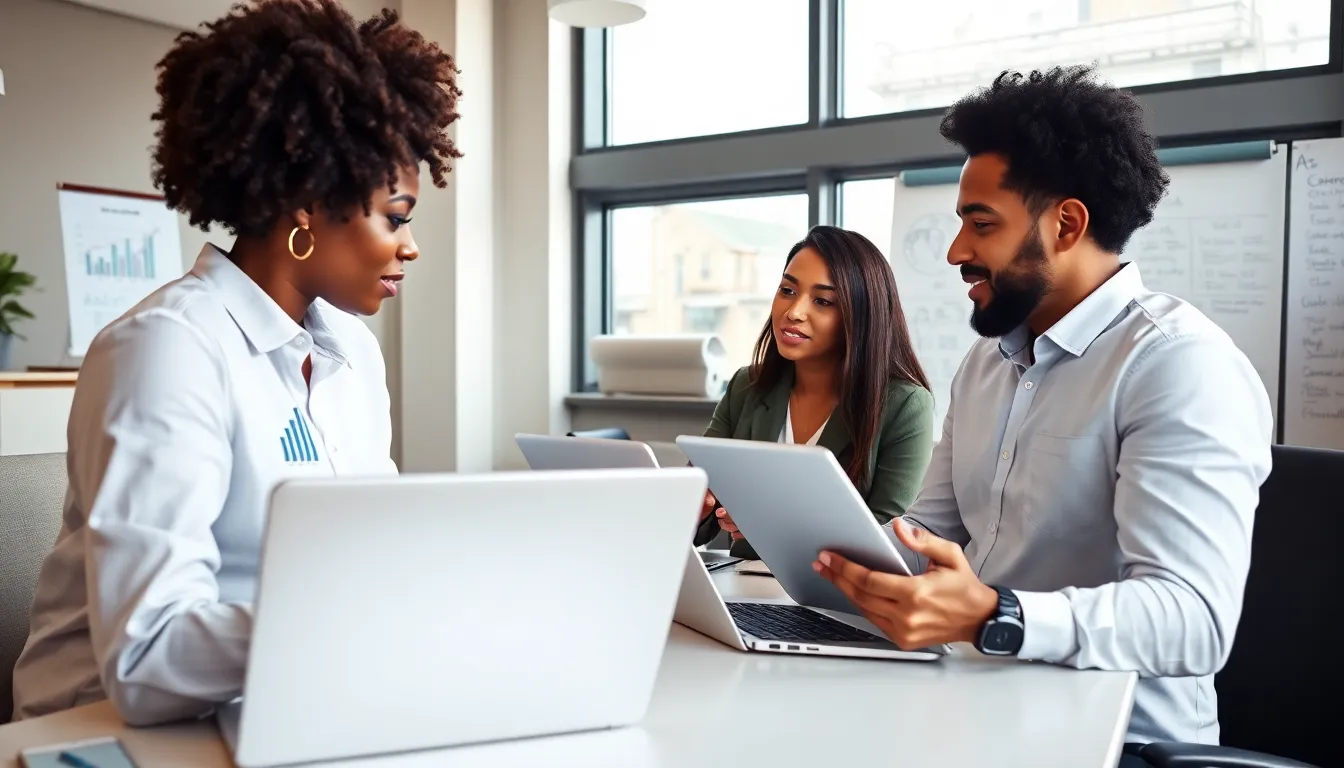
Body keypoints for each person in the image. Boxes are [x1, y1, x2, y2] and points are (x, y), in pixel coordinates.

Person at [11, 0, 462, 726]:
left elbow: (366, 562)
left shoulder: (353, 355)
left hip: (287, 697)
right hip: (106, 730)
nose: (409, 247)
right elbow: (147, 656)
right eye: (396, 217)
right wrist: (358, 620)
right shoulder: (166, 349)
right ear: (309, 205)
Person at [811, 65, 1272, 752]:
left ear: (1066, 224)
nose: (956, 251)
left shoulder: (1179, 366)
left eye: (981, 224)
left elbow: (1192, 621)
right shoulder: (987, 364)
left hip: (1120, 742)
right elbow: (925, 533)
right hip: (978, 699)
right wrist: (816, 537)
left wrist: (994, 615)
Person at [693, 225, 935, 560]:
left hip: (838, 598)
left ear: (861, 317)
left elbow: (888, 541)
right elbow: (698, 524)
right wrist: (692, 505)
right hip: (744, 583)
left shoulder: (905, 405)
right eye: (787, 290)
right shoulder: (746, 386)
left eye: (822, 301)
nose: (794, 312)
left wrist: (770, 523)